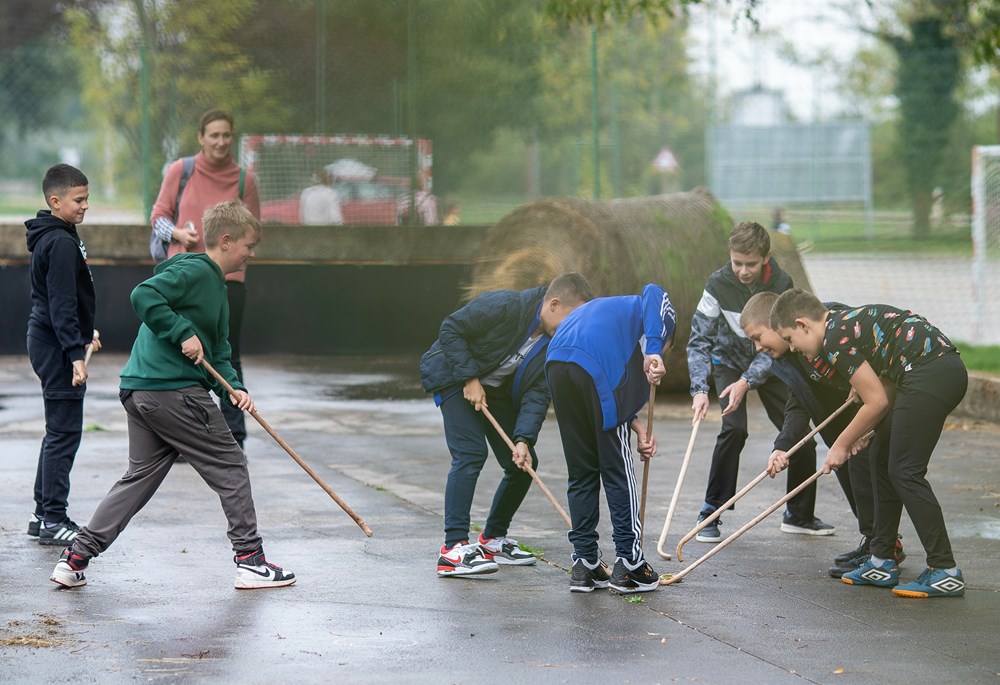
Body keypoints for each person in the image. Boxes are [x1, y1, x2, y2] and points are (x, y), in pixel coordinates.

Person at [50, 200, 294, 590]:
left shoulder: (219, 288)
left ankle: (76, 557)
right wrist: (182, 331)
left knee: (138, 478)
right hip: (171, 392)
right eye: (249, 245)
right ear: (227, 241)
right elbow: (142, 295)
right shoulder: (196, 269)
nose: (252, 253)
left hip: (141, 391)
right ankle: (251, 561)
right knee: (231, 466)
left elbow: (218, 351)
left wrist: (235, 389)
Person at [771, 289, 968, 599]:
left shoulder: (835, 338)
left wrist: (840, 445)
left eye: (791, 339)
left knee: (905, 470)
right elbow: (884, 387)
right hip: (922, 374)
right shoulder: (842, 324)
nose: (794, 349)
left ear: (804, 324)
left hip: (932, 372)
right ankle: (881, 560)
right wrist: (863, 434)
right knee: (880, 456)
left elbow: (874, 401)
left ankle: (945, 570)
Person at [420, 273, 595, 577]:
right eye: (572, 316)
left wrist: (524, 439)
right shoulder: (506, 306)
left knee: (523, 463)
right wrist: (469, 378)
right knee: (471, 453)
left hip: (494, 389)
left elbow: (538, 394)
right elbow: (451, 328)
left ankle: (491, 541)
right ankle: (452, 550)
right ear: (554, 304)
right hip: (454, 377)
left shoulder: (552, 342)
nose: (574, 326)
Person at [740, 292, 905, 578]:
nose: (757, 348)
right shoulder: (787, 358)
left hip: (871, 413)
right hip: (838, 426)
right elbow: (797, 403)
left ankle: (884, 546)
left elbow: (873, 357)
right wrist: (782, 447)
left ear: (777, 324)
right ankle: (875, 541)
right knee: (851, 479)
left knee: (868, 476)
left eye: (758, 337)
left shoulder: (826, 328)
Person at [687, 221, 833, 543]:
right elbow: (699, 340)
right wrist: (699, 389)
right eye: (736, 262)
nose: (742, 270)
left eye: (750, 264)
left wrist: (747, 381)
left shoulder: (782, 282)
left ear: (765, 258)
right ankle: (711, 510)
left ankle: (798, 514)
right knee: (733, 428)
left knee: (800, 437)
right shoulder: (717, 283)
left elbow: (779, 342)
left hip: (772, 363)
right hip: (728, 363)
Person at [544, 284, 674, 594]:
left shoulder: (615, 320)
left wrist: (638, 427)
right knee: (618, 469)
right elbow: (655, 291)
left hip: (559, 361)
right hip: (595, 361)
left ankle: (585, 564)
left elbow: (608, 400)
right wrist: (656, 347)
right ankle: (630, 563)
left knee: (582, 469)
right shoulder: (654, 325)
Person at [150, 109, 260, 450]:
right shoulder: (180, 170)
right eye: (214, 135)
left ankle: (233, 436)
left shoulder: (245, 179)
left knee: (227, 354)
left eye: (226, 135)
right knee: (181, 353)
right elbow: (158, 216)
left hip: (229, 281)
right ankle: (183, 436)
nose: (221, 141)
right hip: (184, 275)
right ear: (201, 137)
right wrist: (178, 232)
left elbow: (254, 229)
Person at [25, 163, 102, 546]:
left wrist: (86, 334)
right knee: (64, 433)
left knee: (57, 431)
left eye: (86, 197)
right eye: (79, 199)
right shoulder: (58, 242)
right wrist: (75, 353)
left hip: (54, 340)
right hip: (56, 347)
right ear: (55, 201)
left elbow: (69, 300)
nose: (86, 205)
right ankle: (54, 518)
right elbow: (60, 303)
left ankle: (43, 515)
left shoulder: (59, 234)